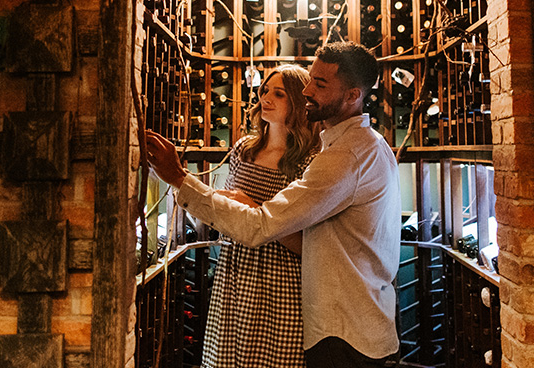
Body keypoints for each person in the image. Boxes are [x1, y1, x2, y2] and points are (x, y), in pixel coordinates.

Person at [147, 42, 400, 368]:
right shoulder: (364, 145)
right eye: (310, 79)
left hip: (343, 334)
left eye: (320, 85)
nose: (307, 90)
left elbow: (260, 226)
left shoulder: (344, 157)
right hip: (359, 323)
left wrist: (179, 179)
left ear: (352, 96)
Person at [202, 64, 321, 368]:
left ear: (296, 102)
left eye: (278, 94)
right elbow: (227, 216)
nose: (265, 98)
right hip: (235, 272)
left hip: (281, 279)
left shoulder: (308, 161)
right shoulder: (244, 149)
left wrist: (250, 206)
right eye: (264, 91)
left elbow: (308, 245)